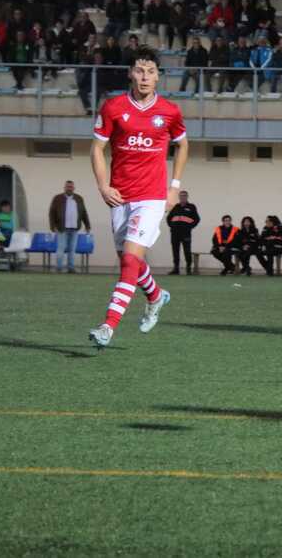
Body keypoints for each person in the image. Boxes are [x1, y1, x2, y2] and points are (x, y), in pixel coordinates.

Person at [88, 46, 187, 348]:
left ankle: (108, 326)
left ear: (158, 77)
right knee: (128, 261)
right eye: (139, 71)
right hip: (120, 195)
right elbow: (96, 149)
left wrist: (174, 187)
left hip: (152, 197)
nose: (145, 77)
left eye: (151, 72)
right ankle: (156, 296)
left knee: (130, 259)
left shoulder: (169, 112)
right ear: (131, 73)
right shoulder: (113, 107)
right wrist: (104, 186)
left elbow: (182, 145)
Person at [49, 180, 91, 273]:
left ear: (74, 188)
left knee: (72, 249)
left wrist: (87, 225)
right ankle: (59, 268)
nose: (69, 188)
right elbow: (51, 213)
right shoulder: (57, 198)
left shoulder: (79, 198)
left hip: (74, 229)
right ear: (64, 188)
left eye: (71, 187)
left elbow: (84, 212)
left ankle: (71, 268)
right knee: (61, 248)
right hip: (61, 228)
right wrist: (52, 226)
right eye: (68, 187)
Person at [166, 190, 200, 275]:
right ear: (179, 197)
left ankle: (188, 268)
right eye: (181, 196)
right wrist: (172, 226)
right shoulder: (175, 207)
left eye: (184, 196)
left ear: (187, 197)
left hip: (186, 233)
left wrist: (190, 227)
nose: (182, 197)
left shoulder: (191, 207)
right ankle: (176, 269)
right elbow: (168, 218)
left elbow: (197, 219)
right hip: (175, 233)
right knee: (175, 251)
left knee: (187, 251)